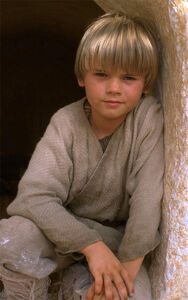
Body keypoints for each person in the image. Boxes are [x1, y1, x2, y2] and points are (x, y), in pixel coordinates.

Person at [0, 12, 164, 300]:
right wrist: (90, 246)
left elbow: (147, 203)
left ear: (146, 84)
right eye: (101, 74)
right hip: (61, 231)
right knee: (9, 239)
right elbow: (34, 197)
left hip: (118, 244)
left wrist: (122, 275)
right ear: (81, 77)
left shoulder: (148, 120)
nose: (114, 88)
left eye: (128, 78)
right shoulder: (65, 123)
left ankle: (72, 284)